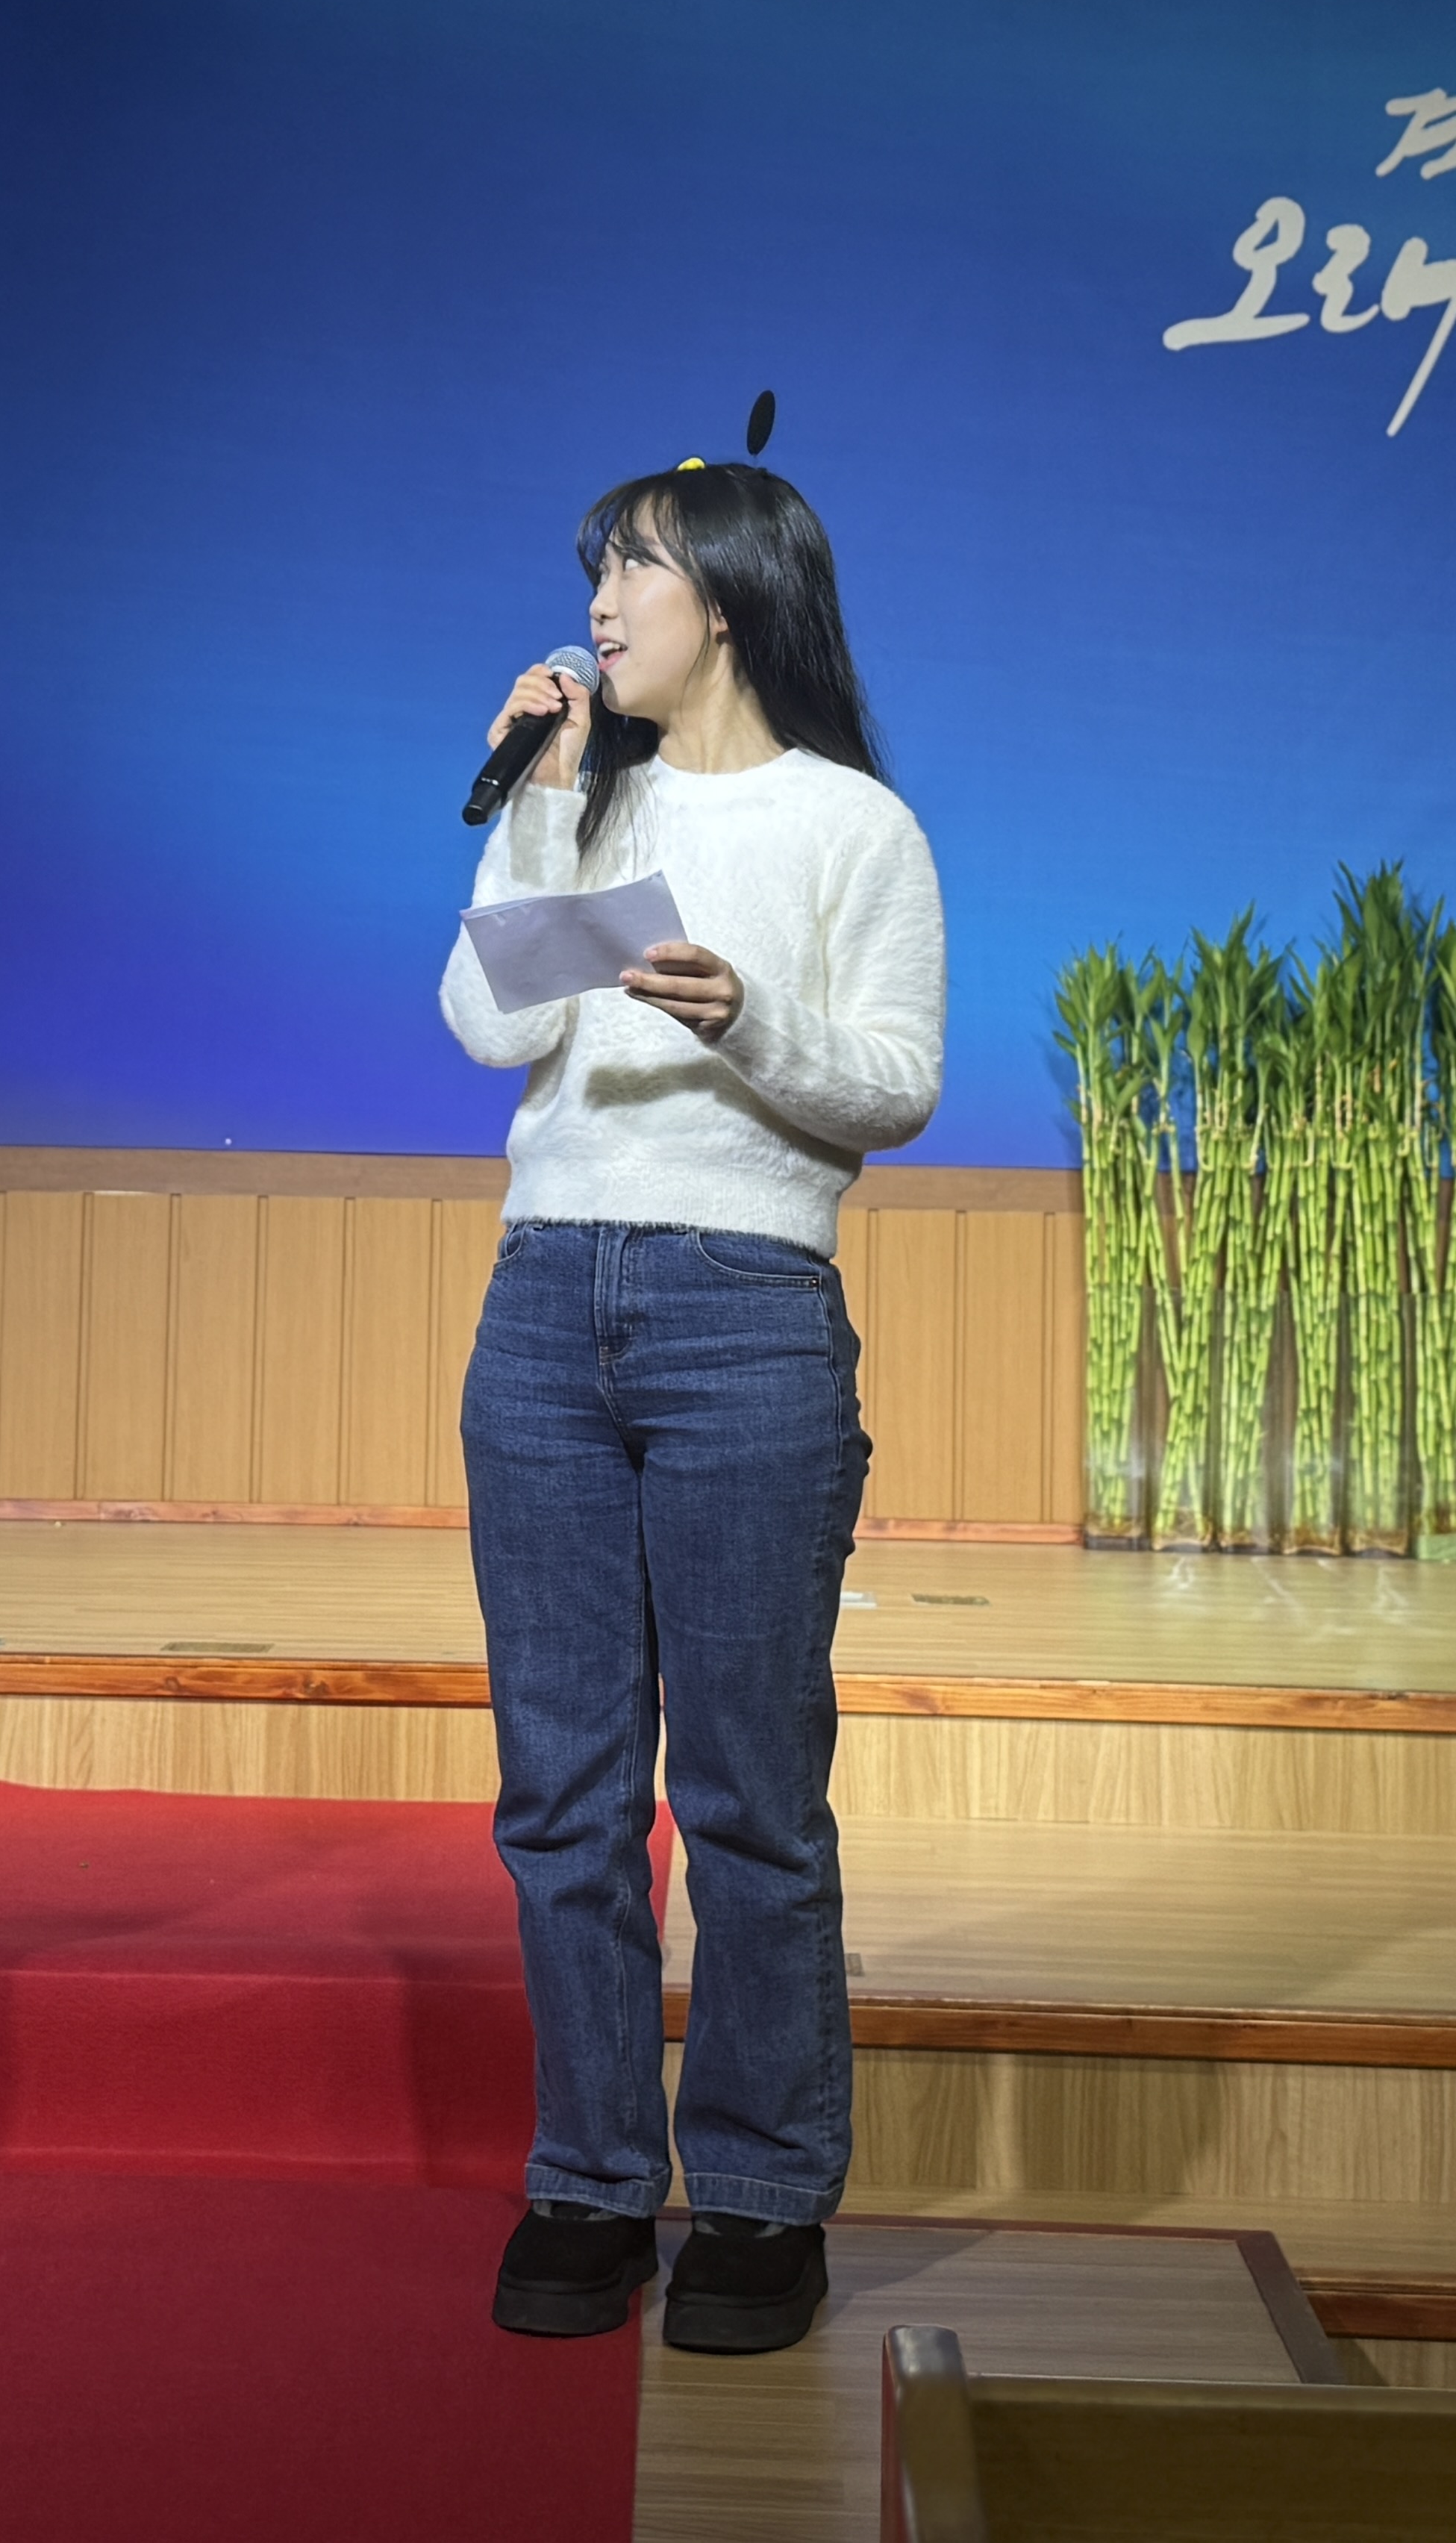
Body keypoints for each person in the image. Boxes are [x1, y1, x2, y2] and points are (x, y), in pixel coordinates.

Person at [439, 458, 945, 2356]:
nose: (598, 606)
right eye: (595, 574)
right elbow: (489, 1026)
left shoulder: (852, 826)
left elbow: (894, 1083)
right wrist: (540, 811)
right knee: (562, 1794)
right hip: (546, 1304)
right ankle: (588, 2178)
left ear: (726, 599)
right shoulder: (586, 799)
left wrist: (748, 1018)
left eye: (633, 571)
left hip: (746, 1313)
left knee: (747, 1795)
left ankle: (755, 2191)